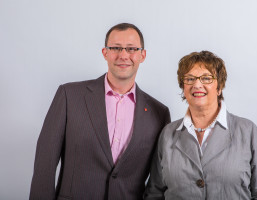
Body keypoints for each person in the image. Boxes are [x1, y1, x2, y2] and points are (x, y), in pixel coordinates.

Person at [29, 23, 171, 200]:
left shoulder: (159, 113)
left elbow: (158, 180)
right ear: (105, 53)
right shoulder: (69, 96)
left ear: (142, 55)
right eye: (115, 48)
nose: (123, 55)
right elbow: (45, 163)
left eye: (131, 49)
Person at [144, 51, 257, 199]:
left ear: (219, 87)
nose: (197, 84)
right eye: (190, 79)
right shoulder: (168, 134)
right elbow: (154, 193)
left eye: (206, 78)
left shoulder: (247, 131)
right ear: (183, 87)